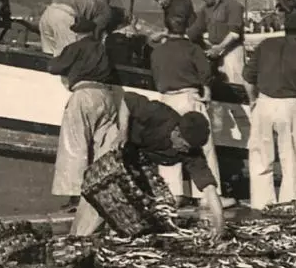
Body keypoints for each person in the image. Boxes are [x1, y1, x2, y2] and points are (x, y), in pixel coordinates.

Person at [75, 91, 223, 239]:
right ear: (177, 132)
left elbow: (209, 188)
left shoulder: (191, 153)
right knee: (99, 195)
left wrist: (219, 223)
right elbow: (128, 99)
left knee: (128, 205)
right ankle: (78, 238)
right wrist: (123, 133)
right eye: (185, 146)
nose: (186, 151)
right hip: (119, 144)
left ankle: (106, 236)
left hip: (139, 158)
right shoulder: (159, 114)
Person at [150, 3, 231, 208]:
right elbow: (206, 74)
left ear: (166, 27)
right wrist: (208, 89)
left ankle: (173, 193)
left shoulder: (157, 52)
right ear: (186, 27)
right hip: (189, 98)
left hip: (167, 99)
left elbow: (155, 75)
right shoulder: (193, 49)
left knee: (168, 146)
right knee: (202, 146)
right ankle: (207, 195)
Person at [49, 16, 123, 234]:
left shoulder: (75, 47)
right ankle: (101, 197)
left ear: (76, 32)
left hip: (83, 94)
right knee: (103, 148)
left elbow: (54, 67)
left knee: (75, 145)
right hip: (106, 97)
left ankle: (75, 196)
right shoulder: (102, 49)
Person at [242, 11, 296, 210]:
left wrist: (253, 101)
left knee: (260, 155)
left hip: (264, 103)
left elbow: (248, 78)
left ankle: (260, 203)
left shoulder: (265, 45)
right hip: (291, 105)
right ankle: (291, 203)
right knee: (293, 157)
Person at [187, 0, 246, 85]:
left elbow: (234, 34)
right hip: (214, 51)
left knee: (235, 83)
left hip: (232, 51)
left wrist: (219, 48)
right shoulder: (205, 10)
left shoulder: (234, 6)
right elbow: (195, 30)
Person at [39, 0, 110, 57]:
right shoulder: (107, 12)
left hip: (48, 12)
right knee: (70, 53)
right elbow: (96, 31)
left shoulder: (92, 4)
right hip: (63, 14)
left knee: (48, 52)